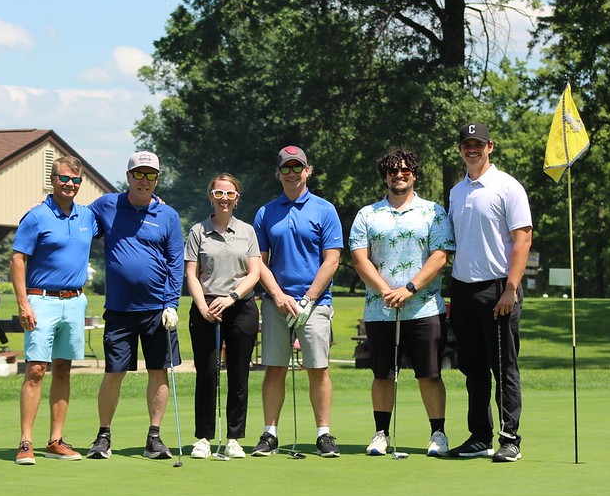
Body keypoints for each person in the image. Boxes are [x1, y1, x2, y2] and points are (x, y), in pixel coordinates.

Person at [350, 148, 455, 457]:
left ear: (414, 175)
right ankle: (381, 434)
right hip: (380, 309)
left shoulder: (433, 212)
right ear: (385, 177)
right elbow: (359, 258)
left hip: (425, 308)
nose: (399, 175)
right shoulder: (367, 214)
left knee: (429, 374)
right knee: (383, 375)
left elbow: (440, 256)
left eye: (405, 171)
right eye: (393, 171)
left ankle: (438, 434)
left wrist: (408, 289)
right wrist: (387, 291)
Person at [85, 151, 184, 460]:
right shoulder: (107, 205)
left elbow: (176, 262)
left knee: (158, 372)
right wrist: (46, 205)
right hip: (120, 310)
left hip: (158, 310)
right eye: (138, 174)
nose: (144, 180)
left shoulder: (168, 215)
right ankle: (103, 436)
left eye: (150, 175)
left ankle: (154, 438)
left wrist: (172, 303)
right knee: (114, 372)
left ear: (157, 179)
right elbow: (76, 219)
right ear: (128, 176)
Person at [447, 123, 533, 463]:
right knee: (473, 369)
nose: (472, 149)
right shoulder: (457, 192)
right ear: (460, 149)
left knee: (504, 368)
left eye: (478, 144)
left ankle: (510, 438)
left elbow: (523, 238)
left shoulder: (507, 186)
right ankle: (479, 436)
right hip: (463, 290)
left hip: (498, 288)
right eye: (466, 144)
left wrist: (511, 288)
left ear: (490, 147)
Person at [252, 145, 343, 458]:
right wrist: (278, 295)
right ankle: (270, 434)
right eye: (286, 168)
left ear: (308, 170)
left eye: (297, 167)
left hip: (315, 303)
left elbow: (332, 260)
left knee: (318, 368)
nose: (292, 173)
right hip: (276, 302)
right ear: (279, 173)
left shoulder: (324, 210)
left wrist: (308, 298)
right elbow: (259, 262)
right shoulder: (265, 212)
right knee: (274, 369)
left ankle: (323, 434)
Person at [10, 155, 98, 465]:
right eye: (64, 178)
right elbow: (17, 258)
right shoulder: (36, 216)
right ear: (52, 180)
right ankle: (26, 442)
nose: (69, 184)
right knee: (36, 369)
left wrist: (154, 199)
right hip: (41, 300)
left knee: (63, 368)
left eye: (75, 180)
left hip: (74, 301)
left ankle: (55, 441)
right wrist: (23, 304)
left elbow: (120, 207)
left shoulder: (88, 216)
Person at [184, 173, 261, 460]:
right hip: (206, 307)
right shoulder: (198, 231)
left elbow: (254, 272)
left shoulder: (247, 231)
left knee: (239, 374)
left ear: (237, 198)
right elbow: (191, 274)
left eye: (229, 194)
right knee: (206, 373)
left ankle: (234, 438)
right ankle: (203, 438)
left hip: (240, 305)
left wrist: (232, 297)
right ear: (211, 197)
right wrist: (202, 306)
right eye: (218, 194)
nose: (224, 199)